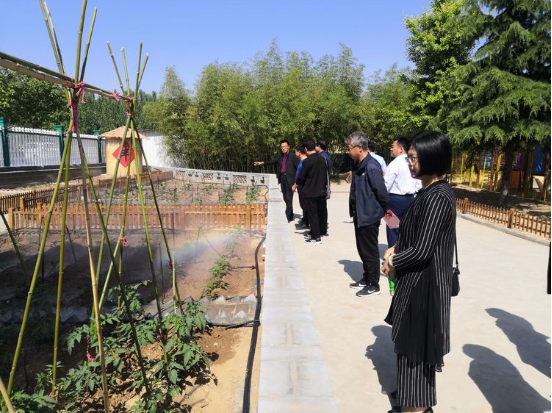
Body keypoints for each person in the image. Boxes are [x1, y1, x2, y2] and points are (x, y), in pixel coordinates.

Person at [382, 131, 456, 413]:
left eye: (413, 158)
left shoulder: (438, 197)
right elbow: (417, 235)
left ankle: (416, 408)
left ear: (431, 159)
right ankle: (411, 400)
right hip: (415, 282)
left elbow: (423, 250)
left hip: (424, 287)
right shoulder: (427, 191)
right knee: (409, 348)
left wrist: (394, 261)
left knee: (415, 350)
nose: (409, 163)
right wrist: (395, 247)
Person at [346, 131, 389, 297]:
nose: (348, 151)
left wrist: (379, 211)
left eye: (349, 148)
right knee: (362, 248)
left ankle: (373, 284)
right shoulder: (359, 165)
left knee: (369, 251)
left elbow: (382, 193)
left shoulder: (371, 166)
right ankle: (366, 278)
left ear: (359, 147)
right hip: (360, 213)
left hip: (369, 215)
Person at [384, 137, 422, 248]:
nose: (391, 149)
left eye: (393, 146)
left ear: (401, 149)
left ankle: (393, 254)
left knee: (393, 228)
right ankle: (406, 251)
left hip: (394, 201)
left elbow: (386, 184)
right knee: (408, 228)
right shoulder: (413, 162)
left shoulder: (394, 164)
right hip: (410, 199)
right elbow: (419, 183)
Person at [254, 140, 299, 222]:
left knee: (289, 198)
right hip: (283, 178)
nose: (283, 148)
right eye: (282, 147)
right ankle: (291, 214)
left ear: (288, 147)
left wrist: (296, 182)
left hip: (290, 180)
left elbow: (299, 169)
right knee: (285, 198)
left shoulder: (293, 156)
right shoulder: (281, 157)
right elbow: (272, 162)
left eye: (285, 146)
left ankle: (287, 217)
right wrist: (262, 163)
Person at [294, 139, 328, 244]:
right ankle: (321, 231)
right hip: (322, 191)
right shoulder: (322, 159)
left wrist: (296, 184)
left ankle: (316, 237)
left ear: (305, 149)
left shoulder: (307, 161)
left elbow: (301, 177)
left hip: (311, 192)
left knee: (313, 215)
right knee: (321, 213)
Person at [294, 144, 309, 230]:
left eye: (295, 151)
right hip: (300, 185)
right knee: (303, 204)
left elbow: (303, 175)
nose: (295, 153)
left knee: (305, 204)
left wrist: (296, 184)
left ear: (299, 152)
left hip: (303, 186)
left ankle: (306, 223)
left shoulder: (305, 161)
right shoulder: (301, 161)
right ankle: (304, 220)